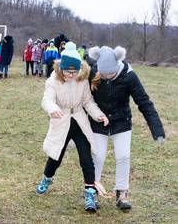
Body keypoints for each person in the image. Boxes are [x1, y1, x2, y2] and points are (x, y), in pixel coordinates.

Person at [88, 46, 166, 211]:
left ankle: (122, 192)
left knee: (123, 156)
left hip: (121, 121)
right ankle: (92, 191)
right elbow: (83, 100)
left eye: (110, 73)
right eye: (104, 74)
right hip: (98, 122)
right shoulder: (93, 73)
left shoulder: (129, 76)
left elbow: (144, 102)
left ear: (117, 66)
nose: (107, 77)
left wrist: (157, 130)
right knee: (97, 157)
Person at [35, 42, 109, 213]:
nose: (70, 74)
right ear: (61, 68)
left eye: (74, 71)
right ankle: (47, 178)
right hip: (61, 121)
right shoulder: (53, 80)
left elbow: (88, 102)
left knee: (86, 158)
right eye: (67, 71)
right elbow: (47, 99)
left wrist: (99, 115)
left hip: (79, 121)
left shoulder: (82, 79)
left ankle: (90, 192)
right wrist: (53, 109)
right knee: (56, 156)